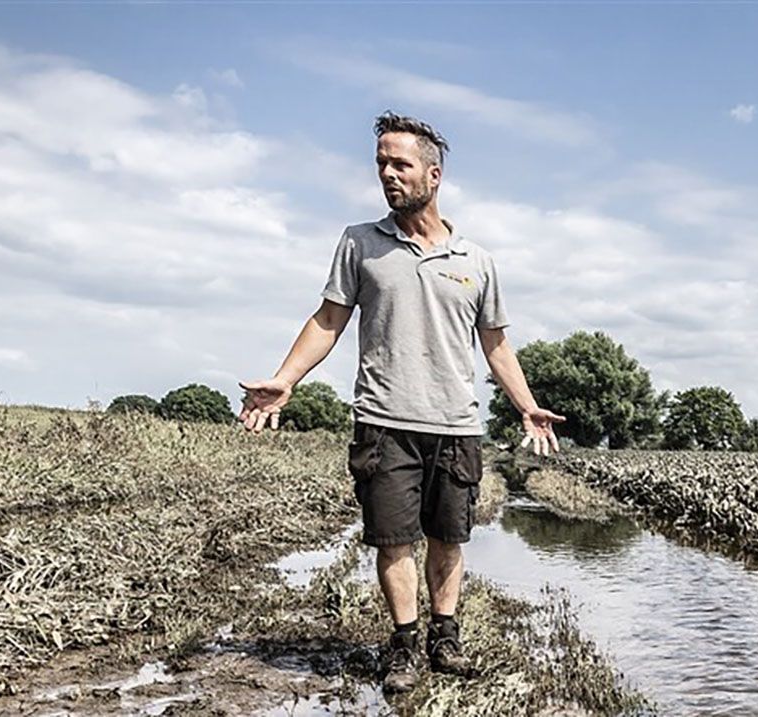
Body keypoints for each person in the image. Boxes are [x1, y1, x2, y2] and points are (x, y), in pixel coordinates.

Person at [239, 111, 565, 693]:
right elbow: (329, 319)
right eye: (381, 164)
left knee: (449, 539)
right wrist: (286, 379)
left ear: (433, 175)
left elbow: (495, 343)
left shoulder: (478, 261)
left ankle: (446, 636)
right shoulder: (360, 243)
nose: (388, 174)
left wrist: (526, 404)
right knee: (392, 540)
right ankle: (405, 645)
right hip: (384, 421)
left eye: (400, 164)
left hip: (456, 425)